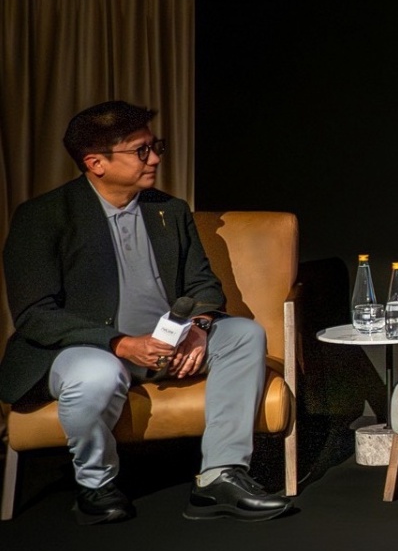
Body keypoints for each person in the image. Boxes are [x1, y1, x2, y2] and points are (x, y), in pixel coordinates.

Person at [0, 101, 292, 524]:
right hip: (88, 347)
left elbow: (204, 286)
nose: (154, 158)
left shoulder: (168, 210)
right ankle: (96, 485)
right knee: (96, 374)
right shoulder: (43, 217)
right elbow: (35, 315)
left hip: (167, 344)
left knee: (244, 335)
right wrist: (120, 344)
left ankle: (219, 477)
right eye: (141, 151)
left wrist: (199, 327)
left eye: (156, 147)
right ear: (96, 163)